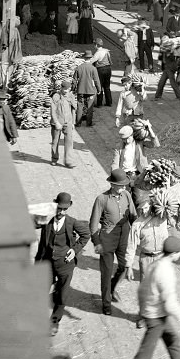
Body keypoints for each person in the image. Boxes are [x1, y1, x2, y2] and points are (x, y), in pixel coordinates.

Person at [122, 236, 180, 359]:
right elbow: (170, 303)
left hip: (153, 313)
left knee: (173, 341)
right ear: (174, 254)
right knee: (144, 356)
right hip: (156, 318)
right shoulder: (166, 272)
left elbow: (142, 289)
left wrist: (143, 310)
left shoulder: (156, 264)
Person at [35, 191, 90, 336]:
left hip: (65, 264)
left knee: (62, 294)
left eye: (64, 209)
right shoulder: (47, 221)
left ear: (68, 208)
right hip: (47, 262)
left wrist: (74, 250)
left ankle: (54, 321)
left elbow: (86, 235)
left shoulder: (72, 222)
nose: (61, 211)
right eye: (59, 208)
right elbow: (35, 229)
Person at [90, 168, 137, 315]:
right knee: (106, 272)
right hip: (107, 240)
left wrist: (139, 231)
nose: (124, 188)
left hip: (124, 237)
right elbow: (93, 225)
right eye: (121, 185)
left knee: (124, 266)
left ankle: (112, 287)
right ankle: (106, 302)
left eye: (125, 185)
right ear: (112, 184)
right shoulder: (101, 199)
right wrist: (97, 242)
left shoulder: (127, 195)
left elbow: (134, 216)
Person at [125, 196, 169, 287]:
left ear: (151, 206)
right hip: (146, 259)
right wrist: (128, 266)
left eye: (146, 208)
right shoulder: (137, 224)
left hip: (162, 257)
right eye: (141, 209)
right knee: (146, 288)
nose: (144, 211)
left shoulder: (162, 217)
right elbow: (131, 245)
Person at [50, 80, 77, 167]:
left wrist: (73, 122)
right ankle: (54, 158)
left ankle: (68, 161)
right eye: (64, 89)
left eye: (68, 89)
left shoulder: (71, 96)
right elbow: (53, 111)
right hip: (57, 123)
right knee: (55, 142)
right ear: (61, 88)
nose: (66, 91)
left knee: (69, 142)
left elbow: (73, 110)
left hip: (68, 122)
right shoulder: (56, 96)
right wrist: (56, 122)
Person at [73, 49, 103, 127]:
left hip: (80, 90)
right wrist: (99, 89)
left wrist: (73, 89)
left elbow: (74, 80)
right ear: (90, 58)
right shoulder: (93, 68)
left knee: (80, 106)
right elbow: (96, 80)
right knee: (90, 107)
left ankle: (78, 123)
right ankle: (88, 123)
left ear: (84, 58)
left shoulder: (79, 68)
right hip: (90, 91)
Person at [92, 38, 113, 107]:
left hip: (100, 70)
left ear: (96, 45)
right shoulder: (106, 51)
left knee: (99, 86)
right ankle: (109, 102)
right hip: (108, 69)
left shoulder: (98, 53)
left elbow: (92, 61)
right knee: (107, 86)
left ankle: (99, 103)